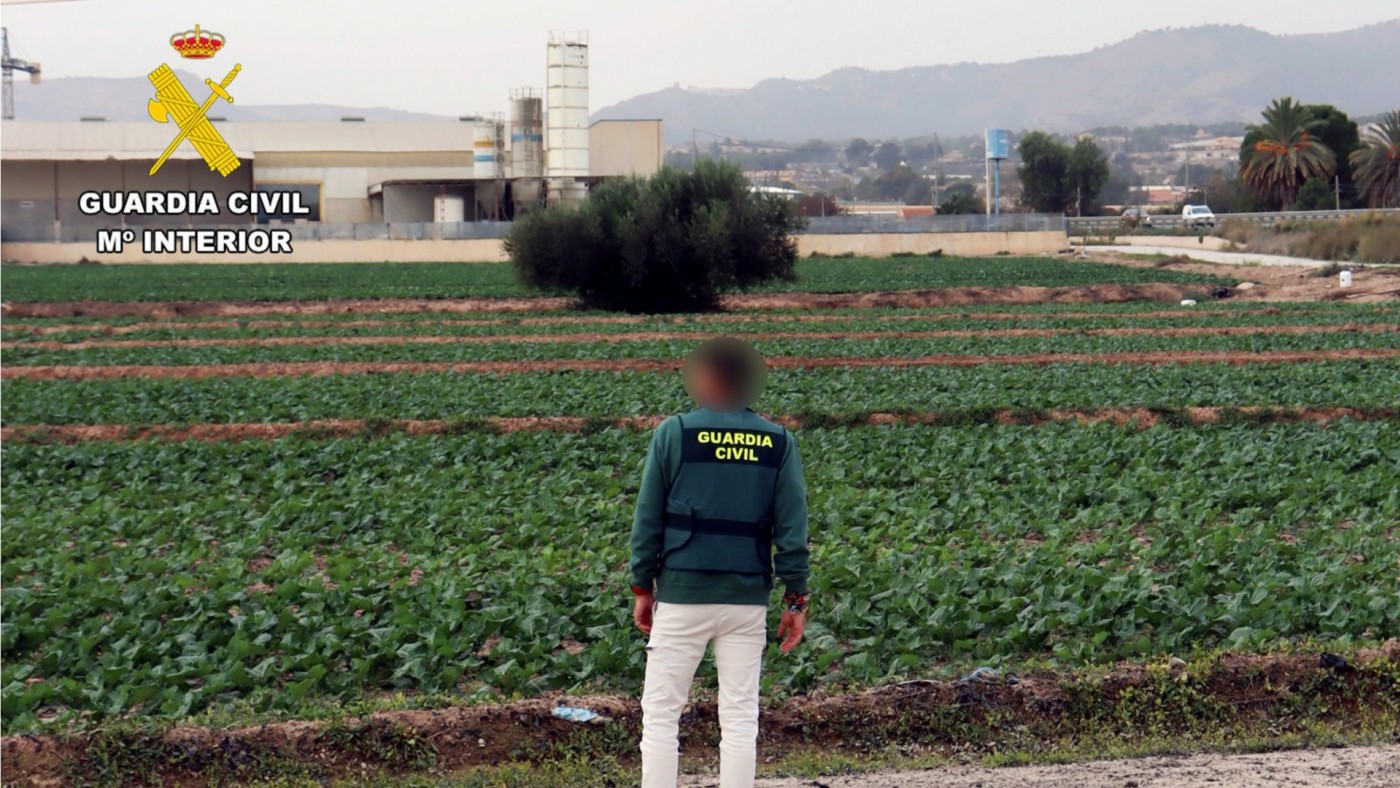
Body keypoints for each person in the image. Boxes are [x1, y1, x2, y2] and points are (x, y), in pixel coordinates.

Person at [628, 337, 810, 788]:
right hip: (746, 600)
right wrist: (796, 599)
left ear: (707, 378)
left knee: (662, 715)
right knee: (741, 715)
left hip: (683, 595)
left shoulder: (675, 433)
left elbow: (647, 518)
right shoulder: (778, 441)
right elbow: (792, 529)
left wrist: (642, 588)